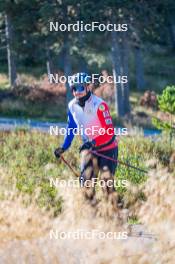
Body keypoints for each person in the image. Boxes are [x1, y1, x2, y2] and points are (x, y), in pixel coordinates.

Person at [54, 72, 118, 206]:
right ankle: (91, 216)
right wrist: (64, 147)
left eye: (80, 88)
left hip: (107, 149)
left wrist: (93, 142)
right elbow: (71, 127)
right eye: (74, 89)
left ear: (88, 87)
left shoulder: (99, 105)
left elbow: (109, 132)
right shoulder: (72, 106)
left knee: (106, 186)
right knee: (86, 185)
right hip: (89, 150)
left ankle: (115, 215)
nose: (77, 92)